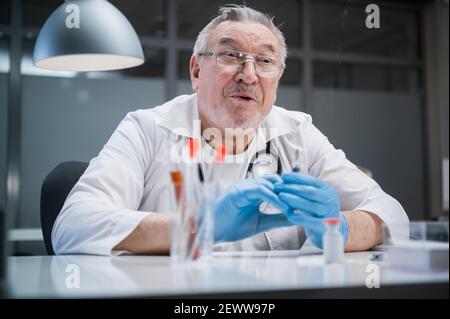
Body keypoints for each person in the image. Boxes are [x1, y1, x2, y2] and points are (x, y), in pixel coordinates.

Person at [52, 5, 408, 256]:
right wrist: (200, 227)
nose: (249, 75)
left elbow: (391, 213)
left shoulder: (298, 134)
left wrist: (339, 228)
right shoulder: (147, 128)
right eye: (230, 56)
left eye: (265, 61)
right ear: (195, 71)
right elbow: (73, 225)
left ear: (277, 77)